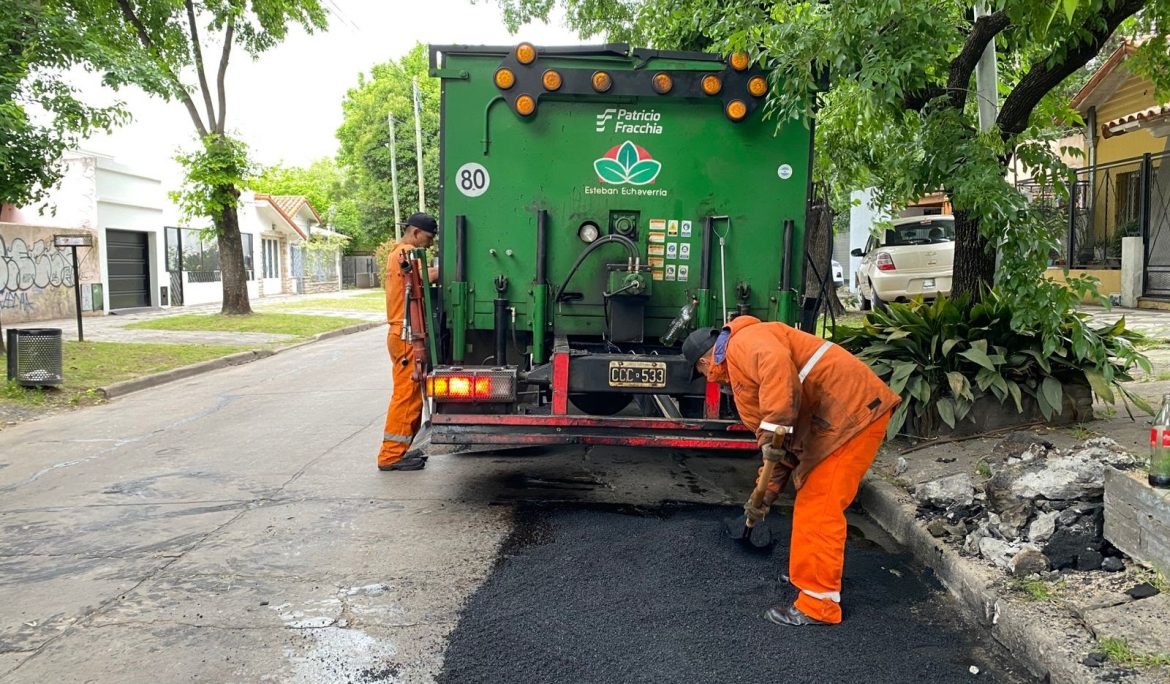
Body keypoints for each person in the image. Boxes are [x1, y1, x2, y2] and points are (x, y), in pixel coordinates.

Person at [682, 316, 900, 625]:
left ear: (706, 361)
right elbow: (776, 451)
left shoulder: (744, 342)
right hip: (829, 424)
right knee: (810, 502)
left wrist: (774, 427)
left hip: (850, 415)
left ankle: (819, 605)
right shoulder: (742, 374)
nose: (709, 378)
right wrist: (765, 494)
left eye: (702, 372)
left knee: (820, 508)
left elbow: (776, 370)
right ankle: (808, 577)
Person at [378, 212, 439, 472]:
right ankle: (391, 456)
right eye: (428, 237)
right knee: (406, 395)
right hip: (404, 336)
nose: (430, 244)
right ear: (415, 232)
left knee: (411, 395)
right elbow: (421, 278)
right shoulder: (405, 254)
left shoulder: (398, 253)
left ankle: (401, 451)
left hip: (402, 333)